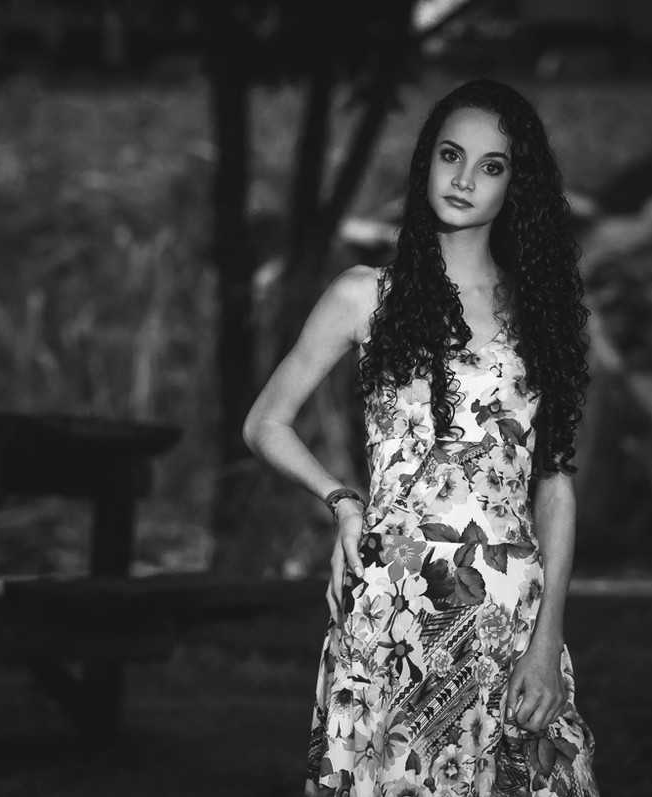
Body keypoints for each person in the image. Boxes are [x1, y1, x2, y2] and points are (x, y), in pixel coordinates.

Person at [243, 79, 599, 797]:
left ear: (516, 185)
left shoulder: (541, 311)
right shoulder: (364, 295)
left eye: (491, 166)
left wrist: (549, 635)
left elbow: (555, 487)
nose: (464, 179)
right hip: (393, 608)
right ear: (425, 162)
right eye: (450, 154)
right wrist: (343, 500)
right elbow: (264, 422)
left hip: (510, 619)